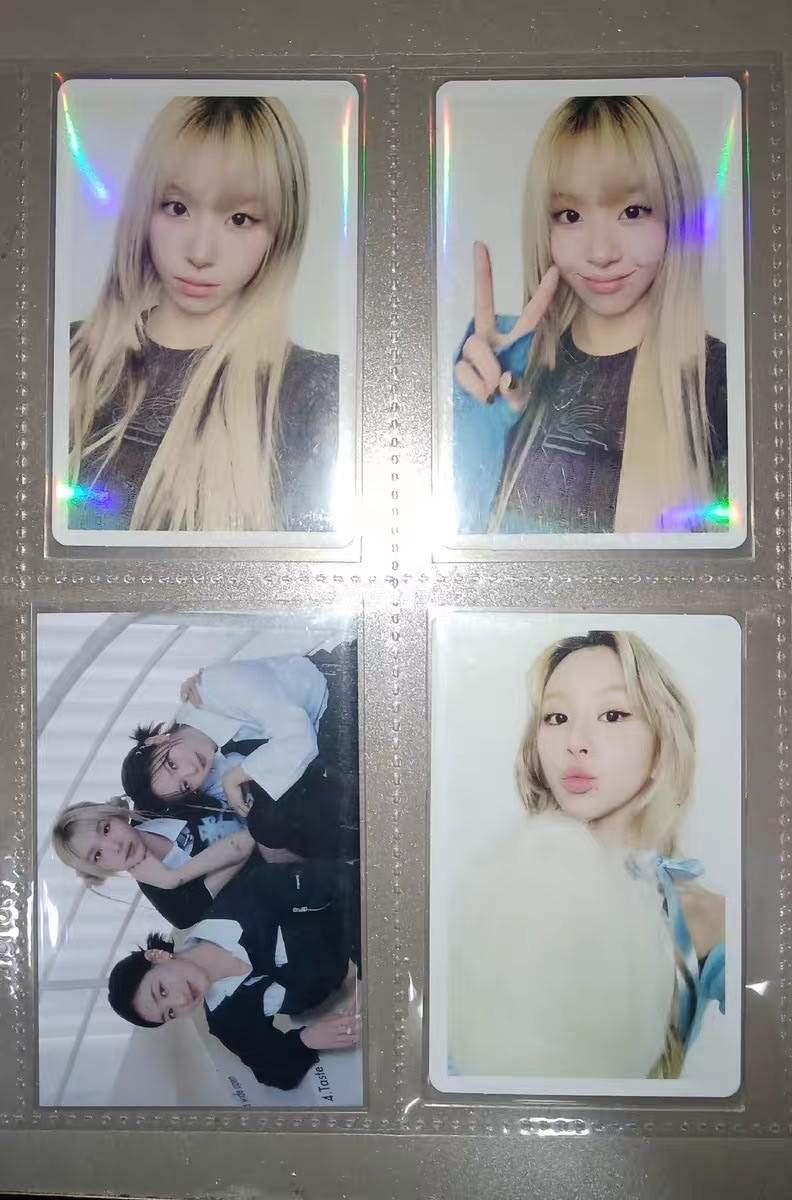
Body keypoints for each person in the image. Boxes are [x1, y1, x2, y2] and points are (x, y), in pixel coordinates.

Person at [447, 631, 725, 1082]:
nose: (576, 742)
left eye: (613, 715)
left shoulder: (701, 918)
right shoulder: (489, 892)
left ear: (663, 743)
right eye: (556, 717)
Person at [453, 95, 729, 536]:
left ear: (675, 215)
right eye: (571, 215)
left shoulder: (721, 383)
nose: (601, 253)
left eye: (632, 212)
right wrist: (480, 426)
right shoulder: (501, 361)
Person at [67, 95, 339, 534]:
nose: (200, 252)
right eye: (177, 208)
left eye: (240, 219)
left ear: (282, 231)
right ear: (144, 210)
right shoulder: (66, 357)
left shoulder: (313, 393)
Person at [107, 858, 361, 1090]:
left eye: (162, 991)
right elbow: (272, 1071)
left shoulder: (246, 897)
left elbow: (344, 883)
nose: (182, 1001)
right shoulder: (225, 1021)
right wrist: (308, 1039)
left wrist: (367, 969)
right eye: (170, 1013)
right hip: (354, 992)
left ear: (157, 956)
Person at [120, 644, 359, 862]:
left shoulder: (212, 688)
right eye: (185, 786)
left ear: (156, 740)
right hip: (325, 739)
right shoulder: (207, 769)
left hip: (340, 687)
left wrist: (236, 776)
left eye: (171, 764)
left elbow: (298, 734)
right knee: (267, 824)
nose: (191, 770)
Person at [51, 795, 254, 928]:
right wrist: (172, 880)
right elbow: (246, 842)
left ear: (115, 815)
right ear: (98, 870)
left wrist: (173, 877)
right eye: (97, 855)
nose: (115, 846)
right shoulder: (174, 906)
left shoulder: (157, 802)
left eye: (106, 829)